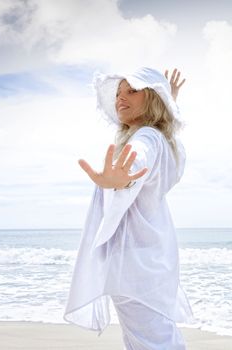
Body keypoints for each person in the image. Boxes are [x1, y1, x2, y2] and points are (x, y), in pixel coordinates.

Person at [64, 67, 194, 349]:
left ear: (152, 99)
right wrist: (168, 99)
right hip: (152, 256)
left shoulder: (145, 139)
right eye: (119, 93)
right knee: (158, 336)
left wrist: (120, 180)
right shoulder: (162, 138)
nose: (120, 98)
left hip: (133, 260)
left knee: (150, 341)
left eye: (132, 90)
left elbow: (138, 160)